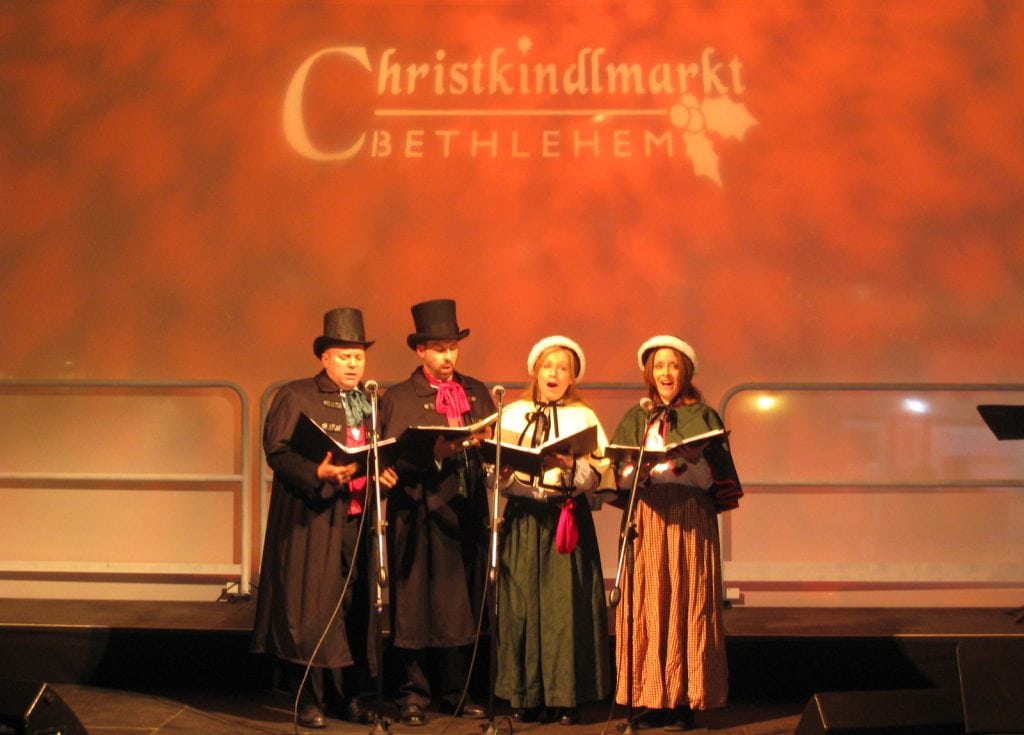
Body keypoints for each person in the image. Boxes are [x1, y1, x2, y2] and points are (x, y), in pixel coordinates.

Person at [252, 307, 397, 729]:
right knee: (313, 608)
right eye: (344, 356)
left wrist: (383, 477)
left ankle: (348, 697)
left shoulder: (372, 402)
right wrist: (317, 472)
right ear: (325, 358)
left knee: (355, 607)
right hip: (313, 520)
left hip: (357, 519)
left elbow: (379, 452)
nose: (353, 364)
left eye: (359, 356)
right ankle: (308, 699)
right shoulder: (296, 395)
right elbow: (278, 451)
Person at [610, 336, 742, 731]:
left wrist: (693, 461)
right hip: (648, 518)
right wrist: (639, 470)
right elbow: (619, 475)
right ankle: (651, 698)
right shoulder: (638, 417)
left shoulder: (702, 415)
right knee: (650, 604)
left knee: (686, 603)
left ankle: (684, 701)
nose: (665, 373)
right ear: (649, 373)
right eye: (659, 366)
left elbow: (716, 481)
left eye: (673, 365)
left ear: (686, 372)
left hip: (688, 517)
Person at [379, 298, 495, 726]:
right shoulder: (398, 398)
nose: (448, 357)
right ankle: (412, 694)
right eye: (439, 349)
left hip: (463, 510)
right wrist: (434, 454)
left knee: (460, 603)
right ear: (421, 351)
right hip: (418, 513)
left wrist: (481, 445)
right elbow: (389, 458)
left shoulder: (476, 391)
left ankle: (457, 690)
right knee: (415, 606)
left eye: (453, 348)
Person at [491, 336, 612, 725]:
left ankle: (565, 696)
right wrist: (504, 475)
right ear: (535, 371)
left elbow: (597, 477)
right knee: (521, 605)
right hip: (524, 518)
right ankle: (525, 694)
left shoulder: (585, 417)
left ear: (573, 375)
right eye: (548, 366)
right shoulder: (513, 412)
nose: (554, 373)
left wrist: (573, 466)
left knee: (565, 607)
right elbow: (493, 474)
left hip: (566, 518)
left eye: (562, 367)